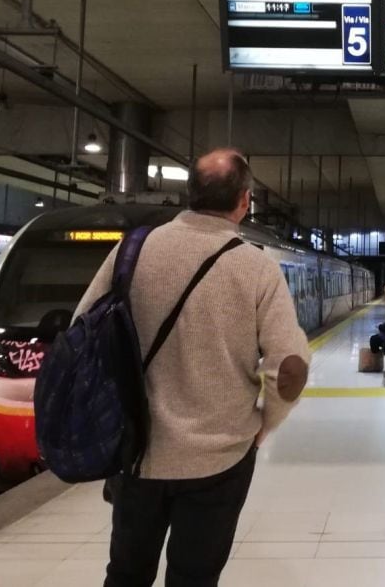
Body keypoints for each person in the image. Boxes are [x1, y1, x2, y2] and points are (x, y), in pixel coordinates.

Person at [75, 149, 311, 587]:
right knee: (194, 577)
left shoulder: (130, 251)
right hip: (220, 457)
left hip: (137, 453)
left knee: (126, 573)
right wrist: (263, 426)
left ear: (189, 196)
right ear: (245, 201)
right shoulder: (256, 267)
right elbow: (290, 368)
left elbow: (82, 336)